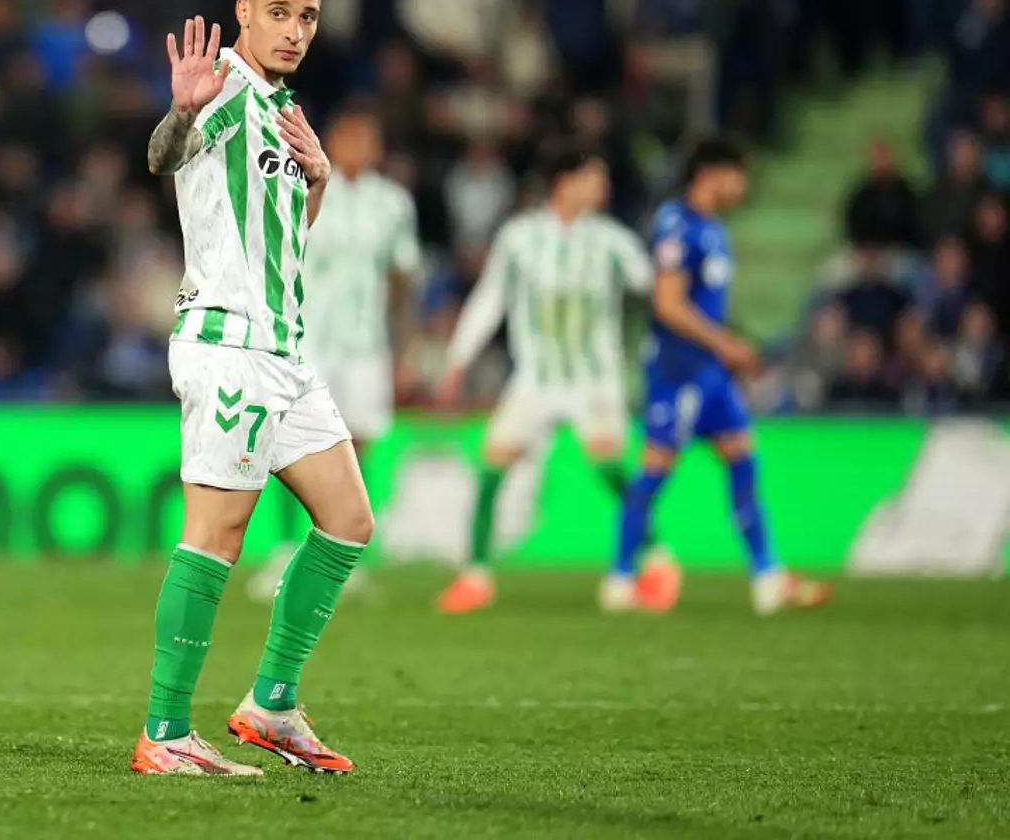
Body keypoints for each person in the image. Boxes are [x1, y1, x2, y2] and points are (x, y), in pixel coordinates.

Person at [131, 0, 371, 778]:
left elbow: (282, 239)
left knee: (348, 519)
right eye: (279, 12)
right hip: (229, 346)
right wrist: (181, 113)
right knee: (216, 535)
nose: (295, 30)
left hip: (285, 351)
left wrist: (319, 181)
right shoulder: (226, 89)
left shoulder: (282, 107)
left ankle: (270, 705)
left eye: (307, 16)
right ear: (243, 13)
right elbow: (164, 156)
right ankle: (165, 733)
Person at [605, 139, 829, 615]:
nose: (743, 186)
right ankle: (620, 579)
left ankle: (767, 576)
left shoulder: (713, 229)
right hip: (677, 372)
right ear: (709, 173)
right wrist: (725, 343)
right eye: (737, 174)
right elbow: (667, 304)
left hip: (710, 375)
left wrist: (725, 347)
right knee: (653, 473)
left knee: (743, 461)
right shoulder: (676, 224)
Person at [433, 149, 663, 614]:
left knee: (611, 472)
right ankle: (476, 576)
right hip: (535, 379)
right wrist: (458, 359)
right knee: (492, 469)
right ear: (565, 181)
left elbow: (656, 288)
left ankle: (656, 557)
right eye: (593, 177)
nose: (603, 187)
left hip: (594, 379)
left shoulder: (613, 241)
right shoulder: (520, 238)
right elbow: (491, 297)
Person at [248, 107, 421, 601]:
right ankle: (285, 550)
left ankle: (342, 556)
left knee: (357, 446)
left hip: (367, 343)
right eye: (349, 139)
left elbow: (401, 277)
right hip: (310, 339)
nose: (358, 150)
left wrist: (404, 348)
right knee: (292, 443)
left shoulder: (393, 204)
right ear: (332, 143)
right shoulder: (301, 185)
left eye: (367, 141)